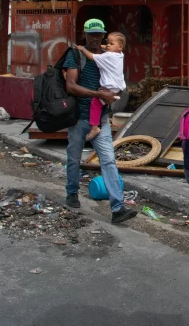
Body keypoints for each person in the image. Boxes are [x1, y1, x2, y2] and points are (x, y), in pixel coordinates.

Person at [64, 18, 137, 224]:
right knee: (74, 158)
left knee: (108, 161)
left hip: (102, 118)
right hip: (79, 117)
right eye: (91, 34)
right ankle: (71, 192)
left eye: (99, 35)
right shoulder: (76, 55)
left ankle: (117, 208)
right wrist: (97, 93)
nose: (95, 38)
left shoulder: (109, 56)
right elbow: (70, 86)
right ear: (85, 35)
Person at [74, 31, 127, 141]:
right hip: (118, 86)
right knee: (102, 104)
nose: (107, 45)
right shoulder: (119, 55)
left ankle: (94, 127)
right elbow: (109, 47)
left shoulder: (108, 56)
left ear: (120, 46)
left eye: (111, 44)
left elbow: (91, 57)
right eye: (107, 42)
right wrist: (106, 45)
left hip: (109, 87)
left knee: (95, 104)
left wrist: (82, 49)